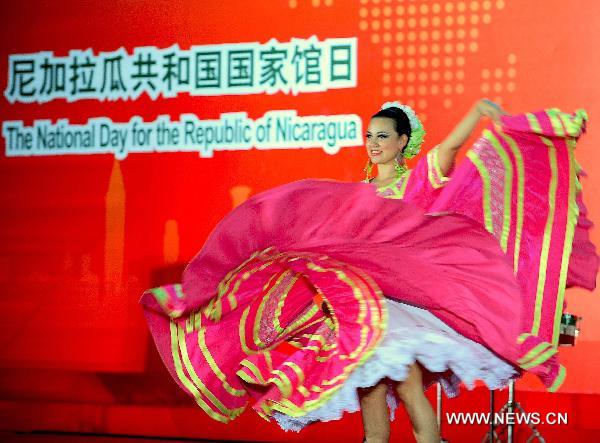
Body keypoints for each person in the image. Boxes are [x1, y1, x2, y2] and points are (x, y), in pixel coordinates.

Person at [140, 100, 597, 443]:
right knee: (372, 407)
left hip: (400, 308)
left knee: (411, 391)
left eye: (383, 136)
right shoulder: (353, 195)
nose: (374, 143)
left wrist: (478, 111)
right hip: (356, 313)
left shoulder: (415, 183)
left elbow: (452, 149)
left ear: (402, 142)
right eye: (370, 136)